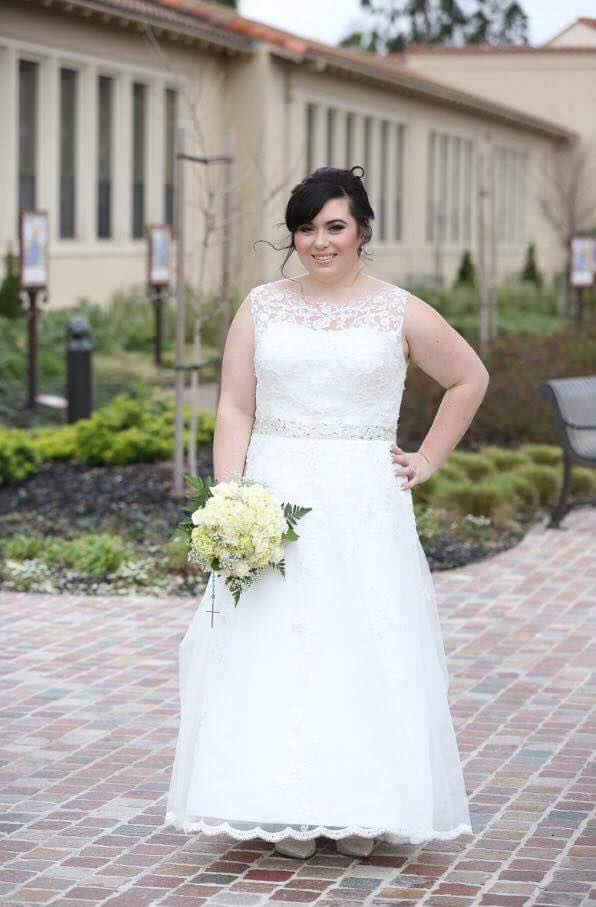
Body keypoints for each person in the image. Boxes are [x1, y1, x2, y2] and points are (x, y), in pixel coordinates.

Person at [165, 166, 488, 861]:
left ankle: (358, 804)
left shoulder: (397, 309)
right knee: (278, 646)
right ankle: (283, 804)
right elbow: (236, 406)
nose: (319, 241)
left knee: (362, 643)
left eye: (334, 226)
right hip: (277, 497)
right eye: (306, 228)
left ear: (362, 230)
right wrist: (231, 495)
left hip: (363, 502)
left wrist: (427, 458)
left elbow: (469, 376)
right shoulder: (262, 306)